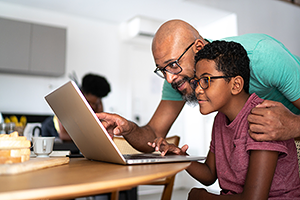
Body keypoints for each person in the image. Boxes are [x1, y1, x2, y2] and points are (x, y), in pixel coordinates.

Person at [97, 19, 300, 153]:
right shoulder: (179, 79)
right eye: (162, 69)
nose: (169, 78)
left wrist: (291, 126)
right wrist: (129, 129)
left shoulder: (263, 57)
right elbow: (153, 133)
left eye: (173, 64)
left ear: (199, 47)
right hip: (264, 142)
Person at [149, 41, 300, 199]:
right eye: (197, 81)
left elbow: (254, 198)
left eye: (206, 80)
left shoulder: (263, 118)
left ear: (235, 85)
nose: (198, 89)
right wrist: (179, 157)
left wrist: (204, 198)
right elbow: (209, 174)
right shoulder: (220, 119)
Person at [41, 73, 111, 141]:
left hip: (78, 133)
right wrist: (90, 138)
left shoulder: (98, 104)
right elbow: (63, 135)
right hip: (53, 130)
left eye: (95, 103)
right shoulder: (70, 103)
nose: (93, 106)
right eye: (89, 102)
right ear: (82, 94)